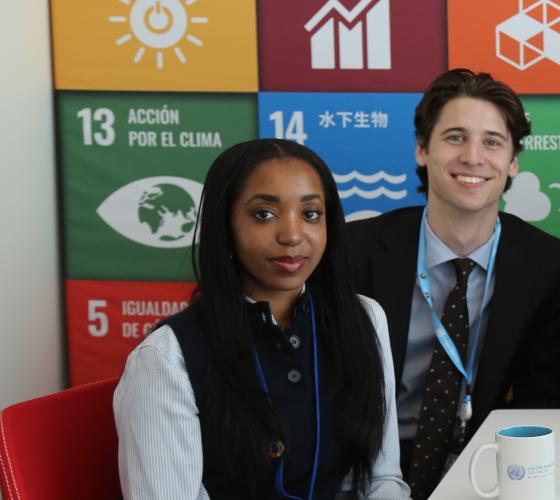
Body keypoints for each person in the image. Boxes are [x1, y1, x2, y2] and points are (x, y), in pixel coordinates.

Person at [114, 139, 409, 499]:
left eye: (311, 213)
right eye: (264, 214)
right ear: (225, 226)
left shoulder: (364, 320)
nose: (292, 235)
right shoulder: (165, 359)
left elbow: (379, 480)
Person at [347, 68, 560, 499]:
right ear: (422, 150)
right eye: (455, 137)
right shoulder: (354, 250)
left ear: (512, 162)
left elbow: (543, 400)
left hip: (485, 461)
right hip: (363, 462)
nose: (473, 157)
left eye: (492, 142)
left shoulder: (551, 266)